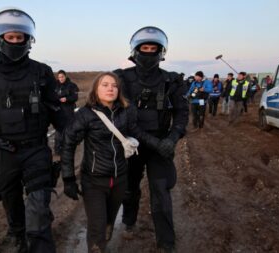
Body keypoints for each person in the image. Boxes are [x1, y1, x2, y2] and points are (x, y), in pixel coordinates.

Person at [0, 8, 65, 253]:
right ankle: (18, 235)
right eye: (11, 37)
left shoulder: (42, 72)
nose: (16, 42)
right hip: (6, 151)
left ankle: (40, 246)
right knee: (11, 199)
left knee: (39, 206)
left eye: (20, 37)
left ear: (29, 40)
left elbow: (56, 111)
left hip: (37, 149)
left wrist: (76, 134)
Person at [61, 72, 168, 253]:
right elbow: (68, 144)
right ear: (95, 89)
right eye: (105, 84)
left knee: (109, 220)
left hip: (119, 179)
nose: (110, 88)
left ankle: (104, 241)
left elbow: (137, 133)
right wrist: (68, 178)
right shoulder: (85, 114)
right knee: (97, 225)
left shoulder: (125, 112)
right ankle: (97, 248)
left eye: (114, 85)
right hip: (94, 180)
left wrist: (161, 145)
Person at [113, 26, 189, 252]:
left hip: (161, 145)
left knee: (161, 190)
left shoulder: (172, 80)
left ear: (161, 51)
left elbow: (182, 113)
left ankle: (166, 242)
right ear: (135, 51)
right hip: (132, 144)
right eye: (144, 48)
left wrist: (172, 138)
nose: (148, 52)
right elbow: (123, 118)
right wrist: (154, 142)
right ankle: (128, 222)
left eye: (152, 48)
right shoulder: (122, 78)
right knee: (129, 187)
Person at [54, 70, 79, 155]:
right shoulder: (55, 85)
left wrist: (67, 99)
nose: (61, 78)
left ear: (65, 76)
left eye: (62, 77)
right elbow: (51, 96)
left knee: (69, 130)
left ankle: (68, 148)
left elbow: (75, 97)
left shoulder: (71, 85)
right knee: (58, 131)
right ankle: (57, 150)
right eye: (59, 77)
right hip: (58, 111)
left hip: (68, 110)